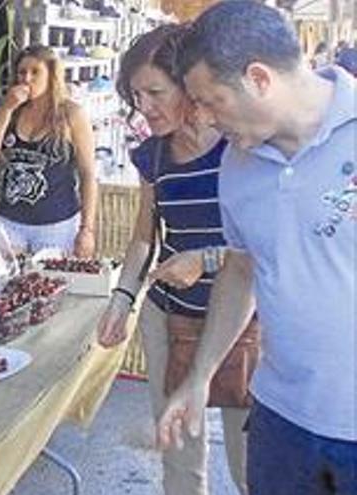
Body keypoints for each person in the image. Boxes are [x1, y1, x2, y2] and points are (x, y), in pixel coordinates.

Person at [156, 2, 356, 494]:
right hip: (279, 420)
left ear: (259, 78)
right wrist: (200, 376)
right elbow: (243, 271)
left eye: (210, 100)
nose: (200, 117)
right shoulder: (238, 165)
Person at [95, 25, 248, 495]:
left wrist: (204, 259)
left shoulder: (240, 148)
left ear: (191, 84)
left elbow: (266, 248)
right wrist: (122, 299)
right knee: (180, 459)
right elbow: (145, 237)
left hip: (243, 323)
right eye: (136, 94)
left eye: (156, 92)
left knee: (252, 467)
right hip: (169, 318)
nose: (145, 106)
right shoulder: (152, 156)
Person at [0, 45, 97, 255]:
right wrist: (6, 109)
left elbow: (88, 174)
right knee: (7, 283)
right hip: (11, 221)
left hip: (57, 223)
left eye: (35, 72)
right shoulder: (11, 112)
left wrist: (87, 229)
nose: (27, 79)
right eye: (22, 72)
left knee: (50, 282)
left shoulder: (72, 114)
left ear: (51, 75)